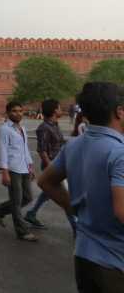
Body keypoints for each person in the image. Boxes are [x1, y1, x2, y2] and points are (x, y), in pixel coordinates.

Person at [38, 82, 124, 291]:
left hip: (84, 254)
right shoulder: (119, 153)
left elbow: (45, 181)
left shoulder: (75, 144)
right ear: (119, 112)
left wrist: (74, 207)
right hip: (115, 263)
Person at [0, 101, 37, 242]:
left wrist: (30, 165)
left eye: (20, 111)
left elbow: (25, 148)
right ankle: (22, 231)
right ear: (8, 113)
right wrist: (4, 171)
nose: (18, 113)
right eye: (14, 111)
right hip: (12, 168)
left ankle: (0, 210)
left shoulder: (22, 128)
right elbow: (3, 150)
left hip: (23, 167)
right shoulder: (6, 129)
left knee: (28, 197)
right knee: (16, 201)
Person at [24, 99, 66, 229]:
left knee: (48, 192)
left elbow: (59, 143)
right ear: (54, 111)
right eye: (59, 108)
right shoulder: (44, 128)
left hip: (59, 163)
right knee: (65, 196)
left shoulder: (55, 125)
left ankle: (31, 213)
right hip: (52, 165)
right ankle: (77, 226)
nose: (61, 110)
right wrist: (51, 167)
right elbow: (42, 150)